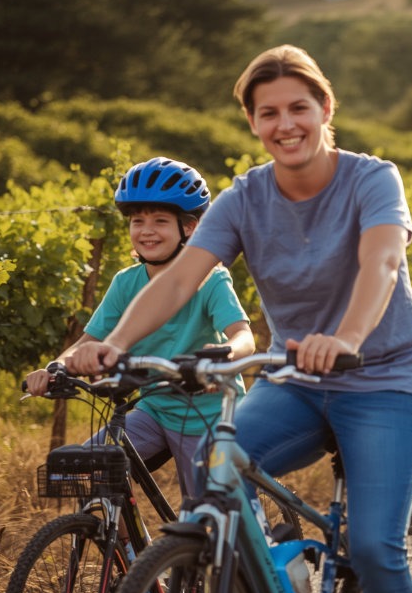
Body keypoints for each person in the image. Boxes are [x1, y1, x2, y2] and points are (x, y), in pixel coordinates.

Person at [66, 45, 412, 593]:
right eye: (269, 113)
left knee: (373, 548)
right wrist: (113, 344)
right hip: (296, 381)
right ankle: (268, 589)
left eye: (298, 108)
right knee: (213, 468)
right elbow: (178, 280)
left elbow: (382, 263)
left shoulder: (372, 179)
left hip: (384, 379)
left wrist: (346, 338)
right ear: (252, 121)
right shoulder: (245, 197)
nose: (285, 124)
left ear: (325, 107)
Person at [25, 157, 256, 498]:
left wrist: (223, 354)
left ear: (190, 228)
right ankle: (113, 536)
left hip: (208, 415)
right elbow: (88, 340)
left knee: (208, 513)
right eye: (137, 221)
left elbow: (244, 336)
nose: (146, 230)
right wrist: (55, 367)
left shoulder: (211, 279)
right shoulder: (126, 282)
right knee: (95, 465)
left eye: (160, 220)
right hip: (154, 409)